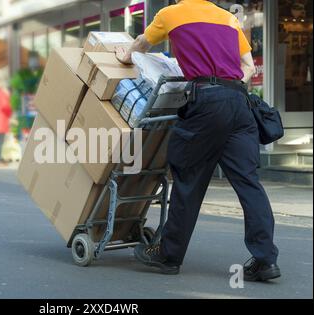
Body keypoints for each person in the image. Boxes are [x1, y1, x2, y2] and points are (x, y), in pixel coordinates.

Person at [116, 0, 280, 282]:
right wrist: (226, 86)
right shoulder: (227, 19)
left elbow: (142, 44)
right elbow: (248, 67)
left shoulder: (171, 13)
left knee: (188, 178)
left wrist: (126, 54)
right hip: (240, 104)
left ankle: (168, 255)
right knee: (249, 183)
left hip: (205, 102)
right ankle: (265, 260)